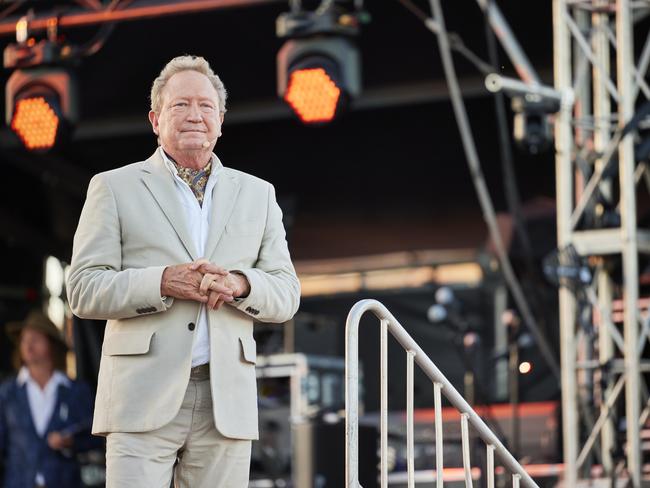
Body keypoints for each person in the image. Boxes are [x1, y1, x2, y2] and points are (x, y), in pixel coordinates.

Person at [66, 55, 300, 487]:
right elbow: (82, 289)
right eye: (180, 105)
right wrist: (161, 281)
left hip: (225, 400)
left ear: (221, 120)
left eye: (206, 106)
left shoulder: (258, 194)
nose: (195, 115)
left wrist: (240, 284)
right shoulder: (112, 186)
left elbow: (287, 292)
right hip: (140, 397)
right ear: (155, 119)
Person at [0, 311, 96, 488]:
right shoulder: (7, 392)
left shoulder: (76, 391)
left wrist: (71, 442)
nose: (28, 345)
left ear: (51, 344)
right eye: (23, 340)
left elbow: (96, 437)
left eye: (35, 339)